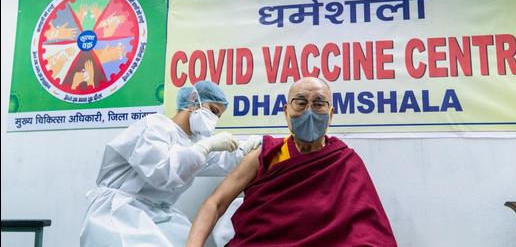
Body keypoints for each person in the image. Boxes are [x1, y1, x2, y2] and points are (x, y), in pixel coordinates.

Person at [187, 77, 397, 247]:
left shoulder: (344, 161)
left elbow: (368, 230)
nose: (309, 111)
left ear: (331, 114)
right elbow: (215, 203)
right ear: (286, 112)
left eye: (319, 103)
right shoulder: (266, 155)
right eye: (301, 102)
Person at [80, 80, 261, 247]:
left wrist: (251, 148)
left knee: (188, 240)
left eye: (218, 116)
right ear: (192, 101)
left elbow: (222, 159)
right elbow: (162, 172)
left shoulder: (193, 142)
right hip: (118, 212)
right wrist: (206, 146)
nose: (214, 120)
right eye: (213, 111)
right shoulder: (155, 126)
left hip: (155, 214)